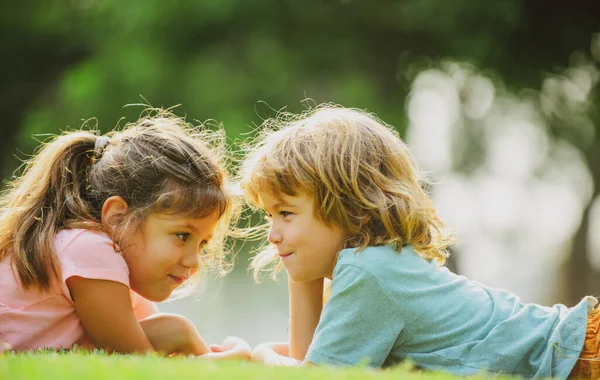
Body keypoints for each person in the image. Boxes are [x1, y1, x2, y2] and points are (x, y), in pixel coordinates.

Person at [241, 104, 600, 379]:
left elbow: (315, 375)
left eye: (286, 213)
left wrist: (259, 354)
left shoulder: (368, 271)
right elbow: (318, 359)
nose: (273, 234)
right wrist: (303, 277)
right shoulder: (378, 263)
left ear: (354, 209)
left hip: (580, 354)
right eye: (269, 216)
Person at [0, 109, 250, 359]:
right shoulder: (88, 249)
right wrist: (230, 358)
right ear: (119, 218)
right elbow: (142, 364)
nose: (193, 262)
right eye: (183, 236)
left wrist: (192, 345)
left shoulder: (113, 269)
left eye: (203, 244)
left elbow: (156, 349)